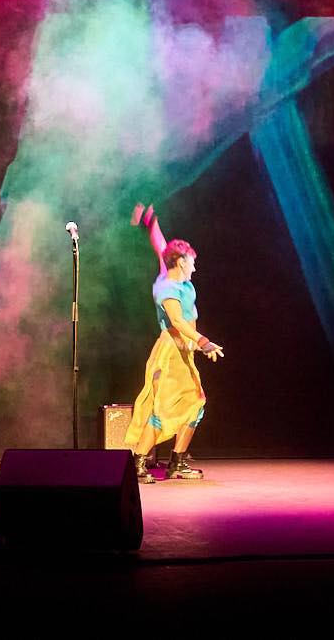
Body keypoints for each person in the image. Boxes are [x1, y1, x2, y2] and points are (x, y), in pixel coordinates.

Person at [123, 203, 224, 483]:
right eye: (192, 261)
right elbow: (178, 321)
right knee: (163, 408)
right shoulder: (168, 287)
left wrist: (151, 221)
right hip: (170, 354)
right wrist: (204, 342)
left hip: (184, 353)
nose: (195, 266)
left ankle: (177, 462)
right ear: (181, 262)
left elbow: (161, 247)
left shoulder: (176, 278)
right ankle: (138, 463)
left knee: (196, 403)